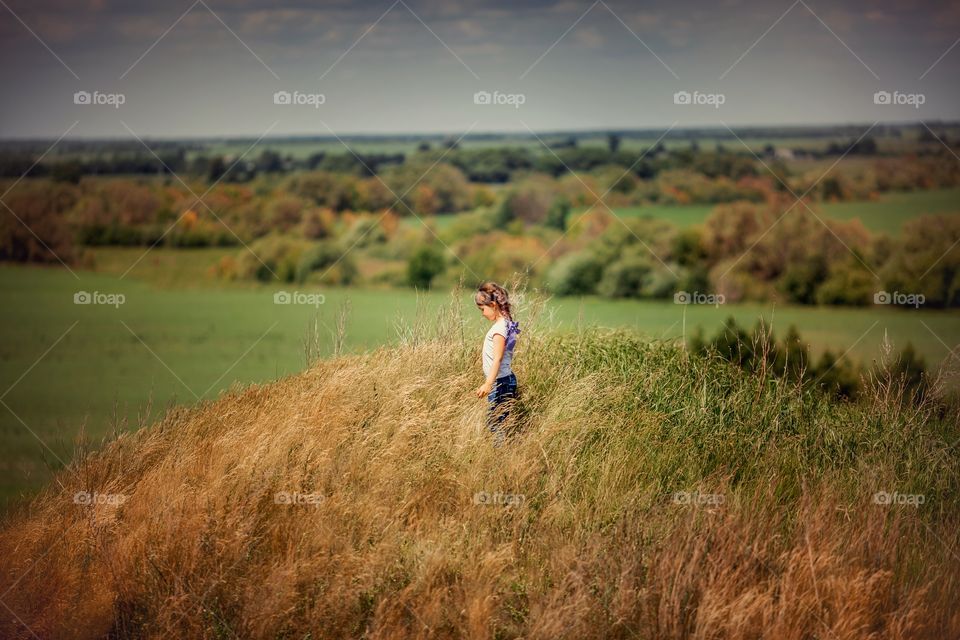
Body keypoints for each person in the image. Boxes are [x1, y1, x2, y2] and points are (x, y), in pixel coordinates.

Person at [474, 282, 520, 446]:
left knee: (495, 422)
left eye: (482, 309)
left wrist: (488, 383)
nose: (482, 314)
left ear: (493, 305)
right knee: (500, 421)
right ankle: (507, 449)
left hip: (500, 382)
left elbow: (497, 359)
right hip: (505, 381)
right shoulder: (507, 323)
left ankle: (502, 454)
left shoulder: (499, 328)